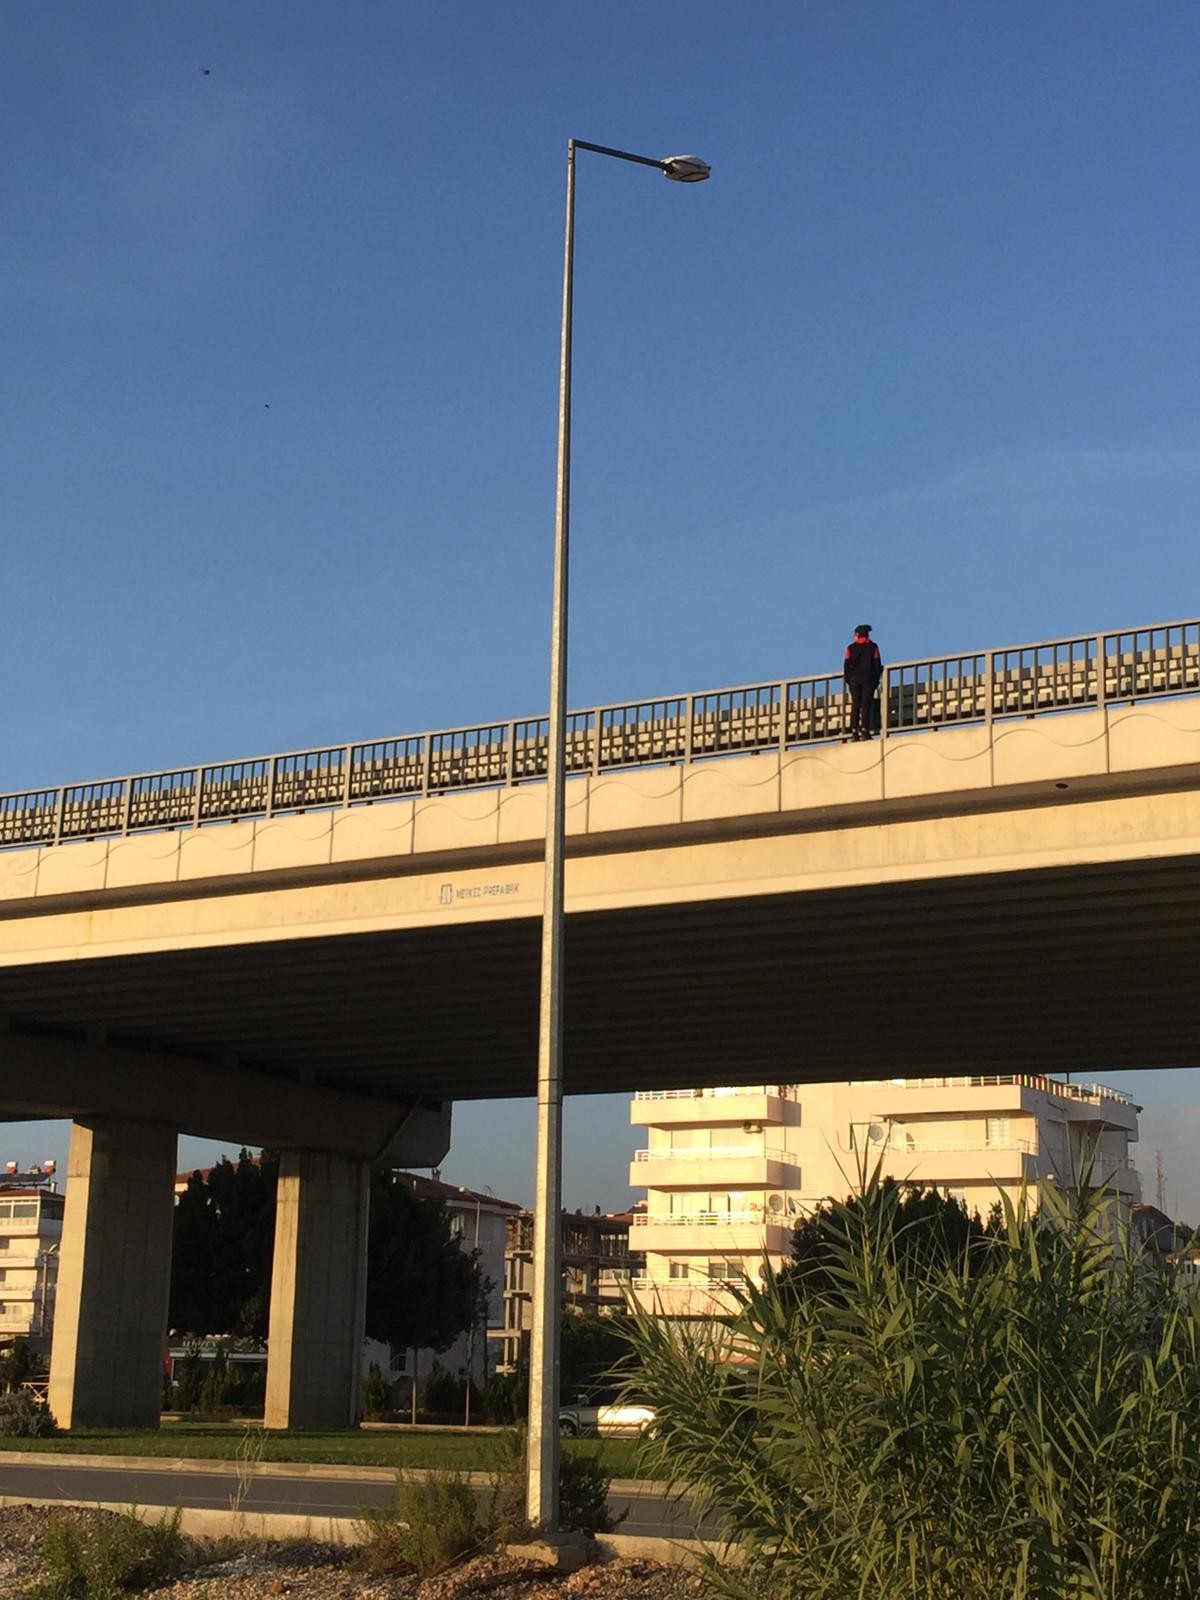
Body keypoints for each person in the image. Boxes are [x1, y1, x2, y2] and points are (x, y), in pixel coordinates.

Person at [843, 623, 882, 741]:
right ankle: (865, 730)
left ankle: (854, 731)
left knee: (856, 704)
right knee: (866, 704)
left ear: (857, 635)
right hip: (868, 679)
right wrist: (875, 680)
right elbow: (877, 664)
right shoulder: (873, 647)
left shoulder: (850, 648)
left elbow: (846, 666)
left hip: (854, 680)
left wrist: (848, 680)